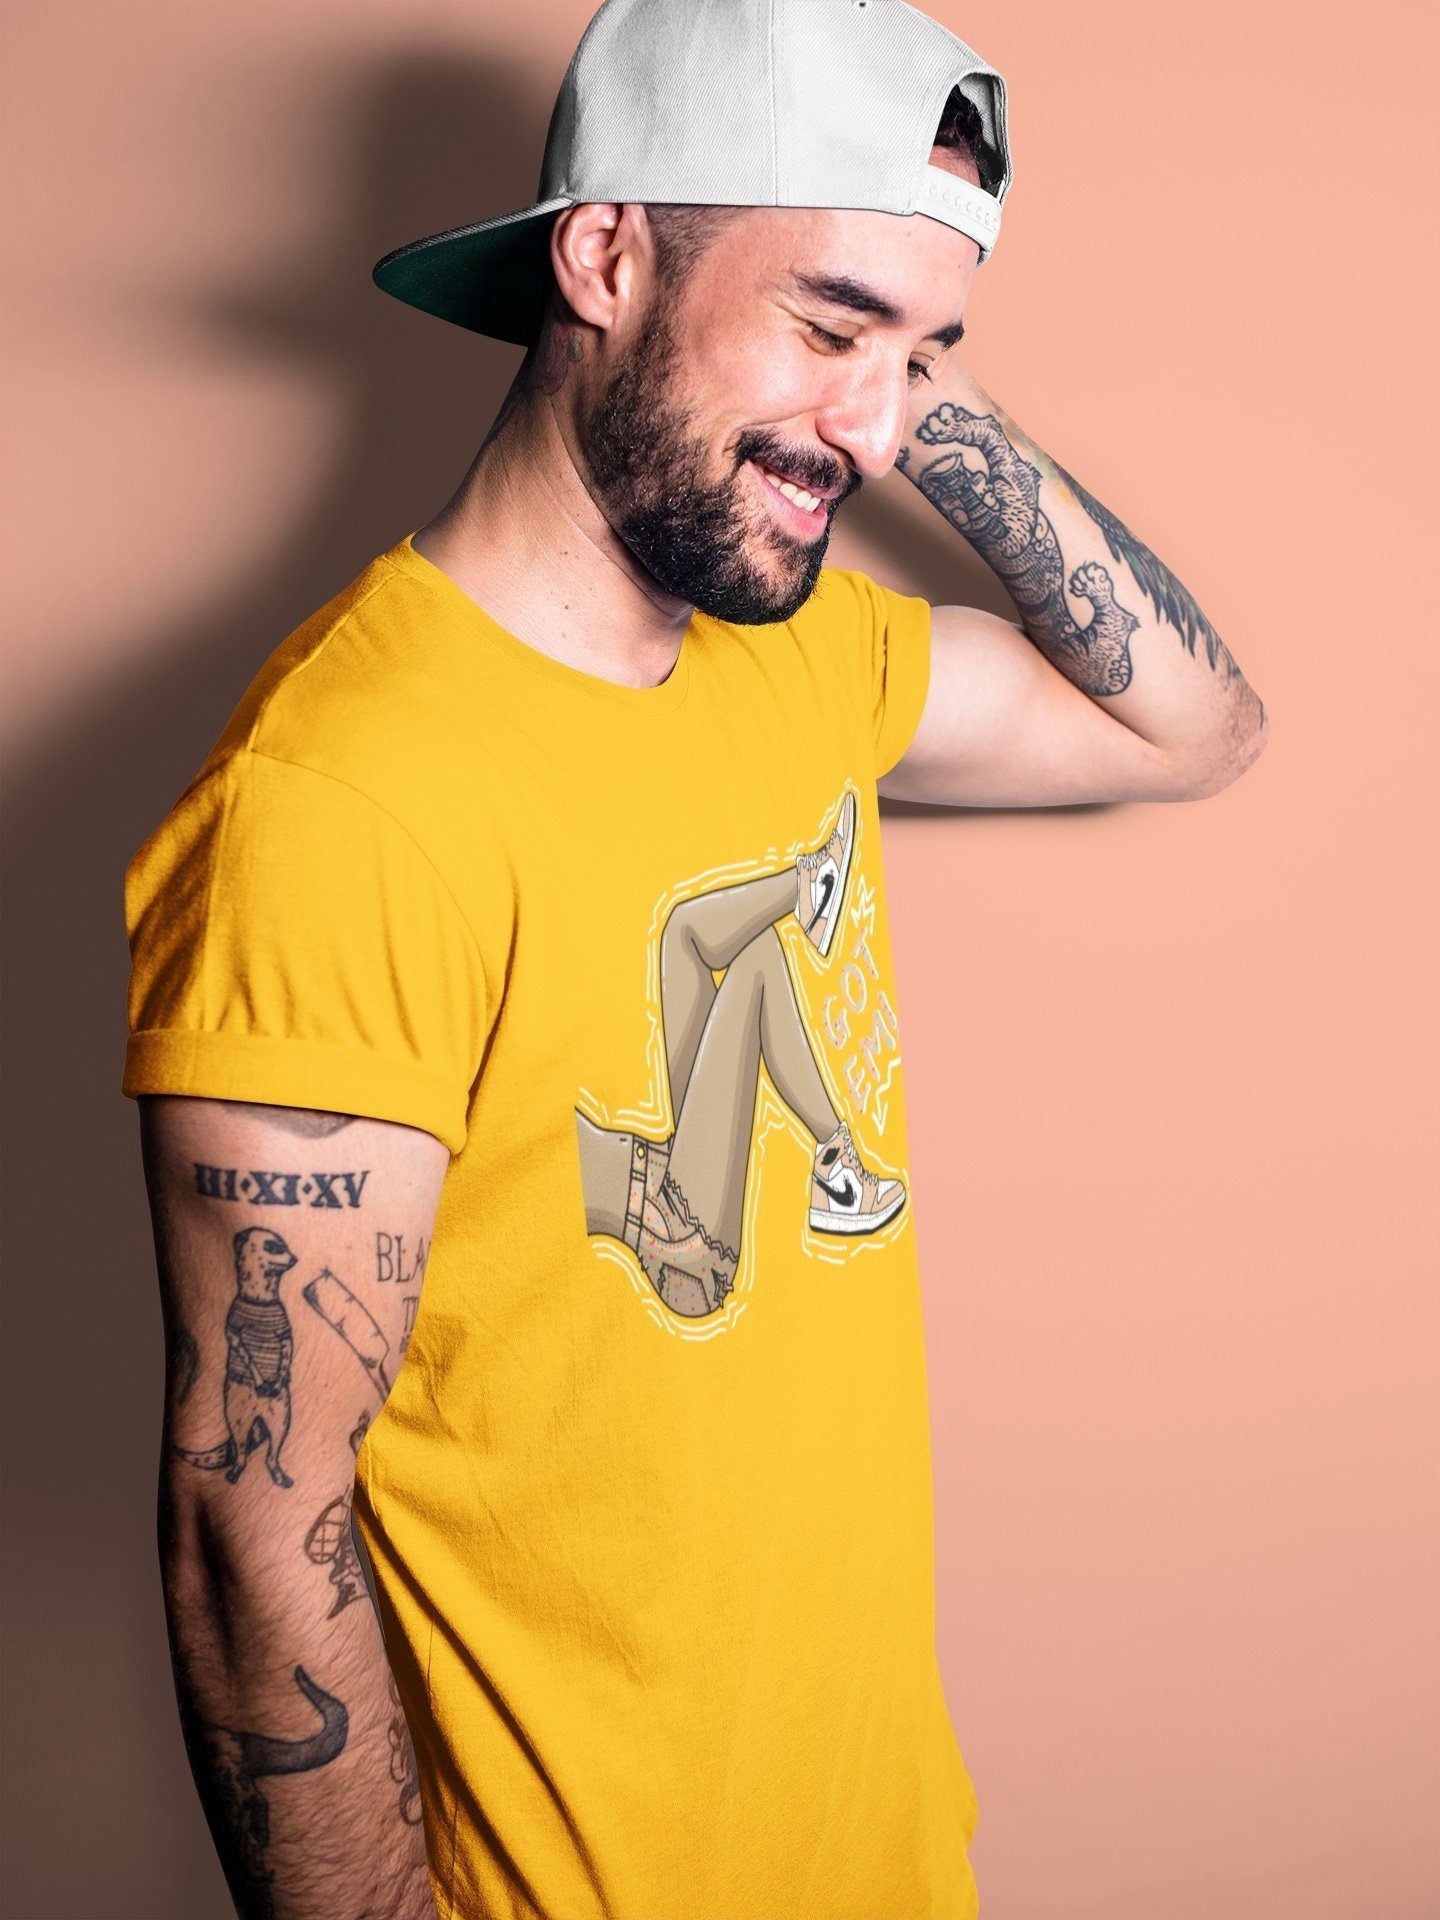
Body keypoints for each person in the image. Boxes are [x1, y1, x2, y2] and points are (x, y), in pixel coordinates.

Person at [120, 0, 1270, 1913]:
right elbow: (256, 1530)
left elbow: (1198, 729)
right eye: (826, 324)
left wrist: (886, 359)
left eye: (927, 356)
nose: (877, 430)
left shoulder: (799, 656)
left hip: (883, 1864)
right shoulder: (342, 801)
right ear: (603, 257)